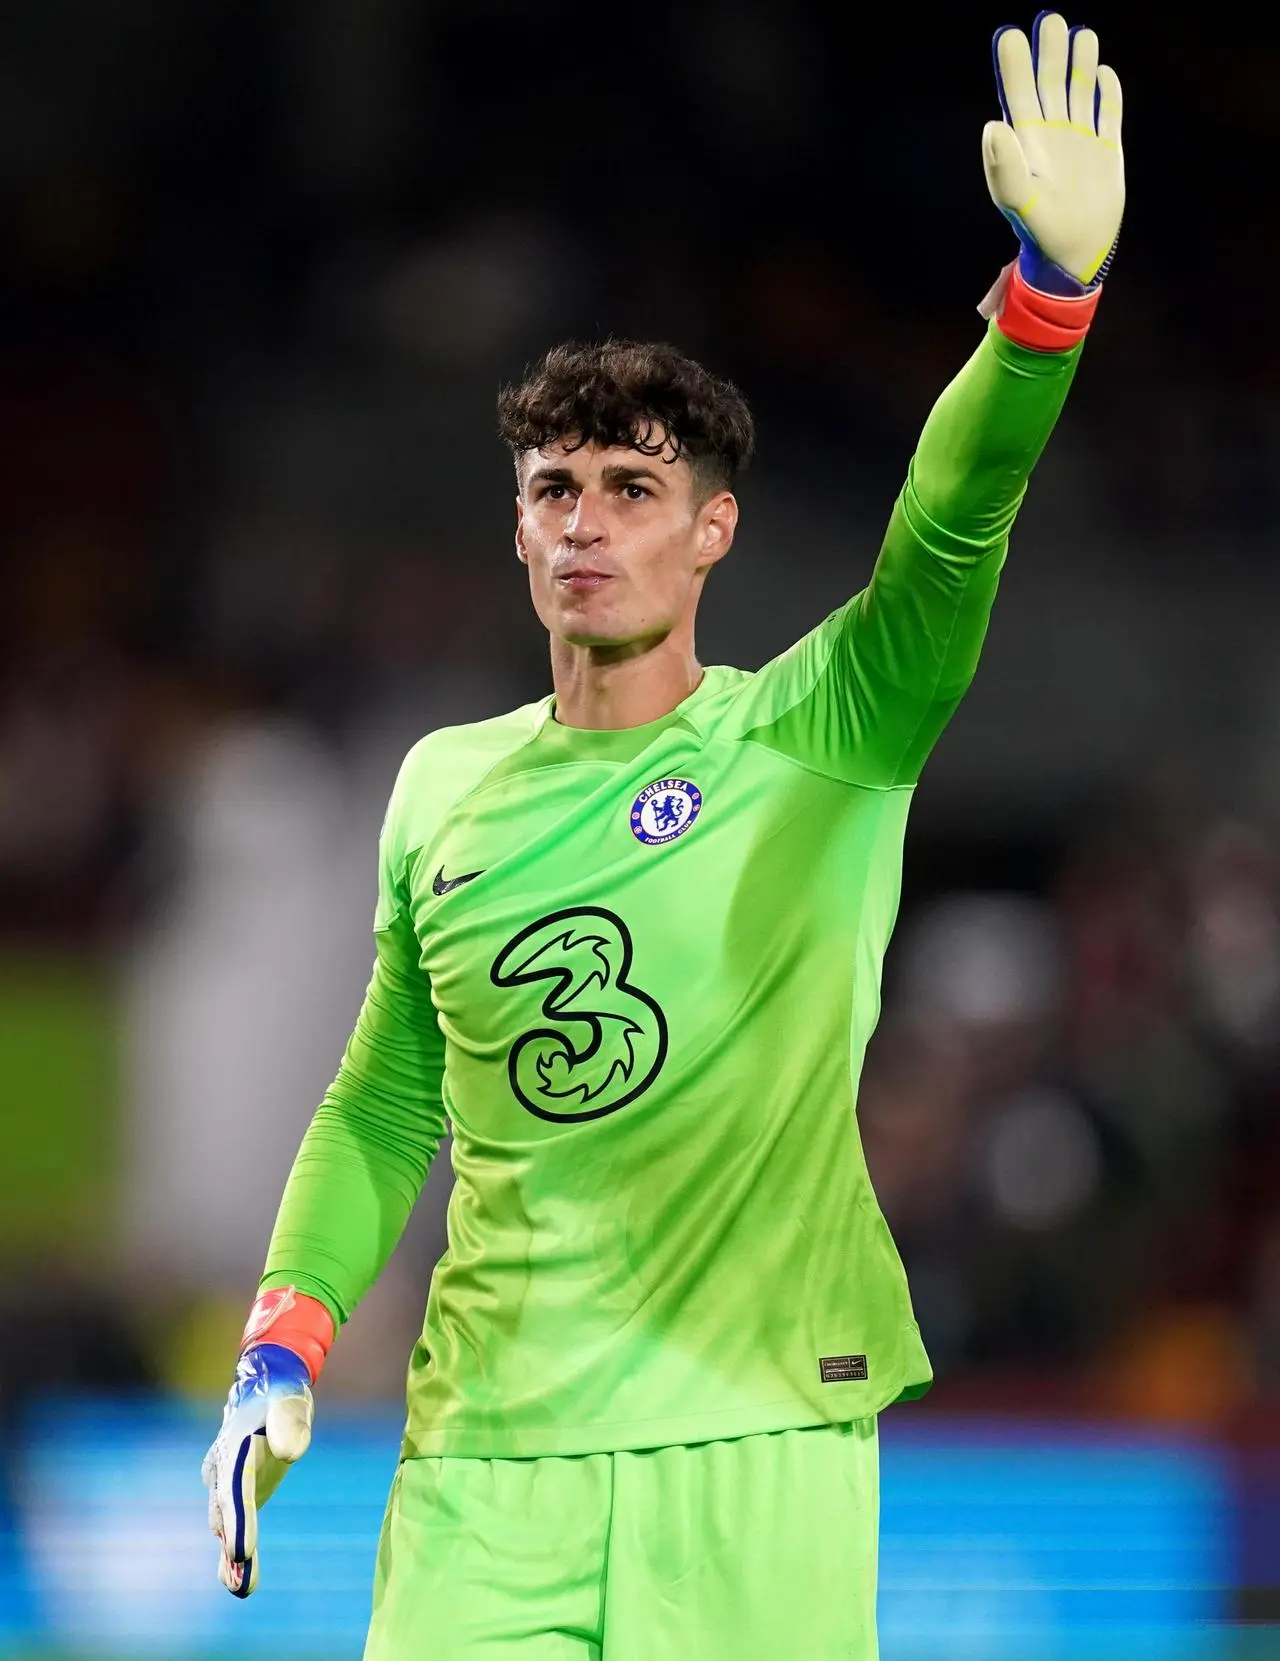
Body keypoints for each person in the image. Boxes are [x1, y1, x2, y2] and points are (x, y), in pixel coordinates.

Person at [203, 13, 1124, 1657]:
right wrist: (284, 1341)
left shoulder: (824, 730)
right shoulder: (443, 787)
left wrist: (1042, 313)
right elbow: (389, 1093)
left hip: (759, 1438)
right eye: (554, 487)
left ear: (714, 531)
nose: (586, 522)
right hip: (489, 1459)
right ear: (514, 525)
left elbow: (951, 524)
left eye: (633, 488)